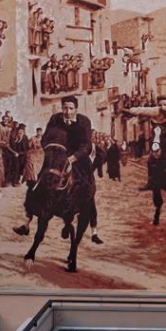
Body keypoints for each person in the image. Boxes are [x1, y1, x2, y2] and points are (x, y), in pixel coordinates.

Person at [43, 95, 103, 244]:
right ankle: (29, 217)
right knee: (41, 180)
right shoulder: (55, 119)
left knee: (88, 189)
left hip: (78, 158)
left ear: (76, 109)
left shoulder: (84, 122)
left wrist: (73, 158)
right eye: (65, 108)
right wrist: (51, 151)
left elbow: (86, 146)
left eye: (71, 108)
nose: (67, 111)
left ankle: (93, 228)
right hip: (58, 157)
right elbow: (45, 138)